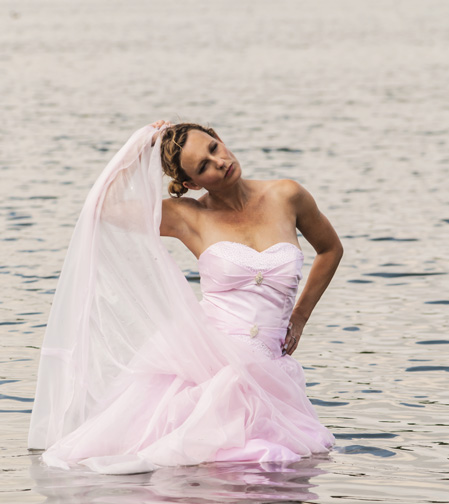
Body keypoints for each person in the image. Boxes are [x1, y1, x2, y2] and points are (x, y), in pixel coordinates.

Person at [28, 121, 343, 474]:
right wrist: (138, 150)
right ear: (192, 183)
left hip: (272, 365)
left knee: (279, 467)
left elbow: (330, 249)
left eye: (213, 148)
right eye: (204, 166)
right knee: (227, 463)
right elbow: (101, 207)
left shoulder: (288, 195)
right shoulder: (187, 215)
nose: (219, 162)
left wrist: (300, 317)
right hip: (210, 364)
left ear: (220, 139)